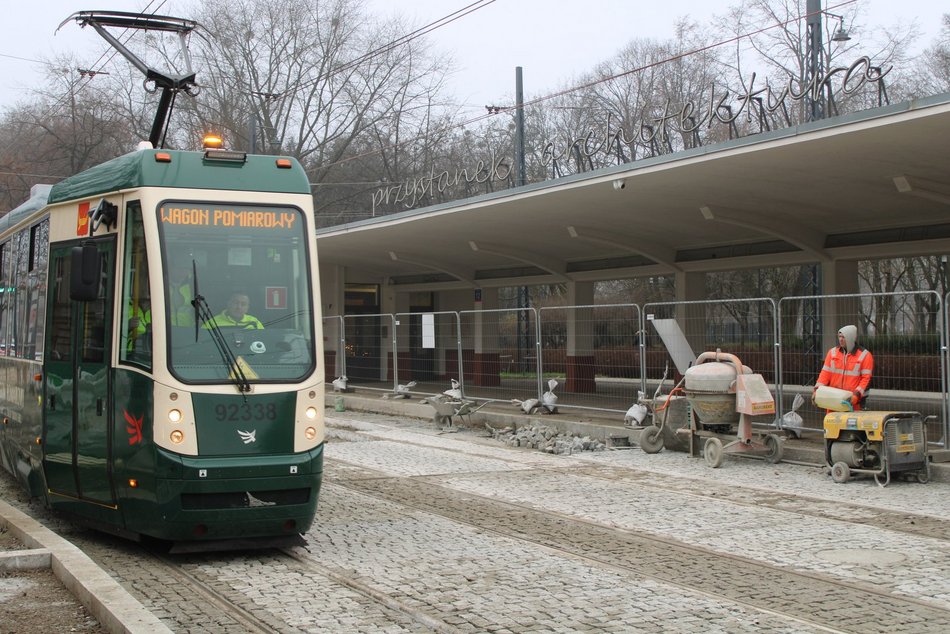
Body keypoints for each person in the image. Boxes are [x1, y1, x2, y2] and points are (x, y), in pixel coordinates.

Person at [813, 324, 873, 411]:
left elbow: (866, 379)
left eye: (843, 337)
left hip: (853, 403)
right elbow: (824, 375)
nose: (840, 339)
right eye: (839, 336)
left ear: (851, 338)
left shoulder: (865, 356)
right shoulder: (832, 353)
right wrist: (816, 391)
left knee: (850, 424)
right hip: (833, 401)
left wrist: (856, 395)